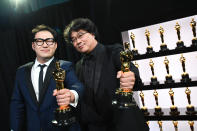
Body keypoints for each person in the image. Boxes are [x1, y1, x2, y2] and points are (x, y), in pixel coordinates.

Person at [63, 18, 149, 131]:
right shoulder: (78, 65)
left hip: (123, 123)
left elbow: (131, 71)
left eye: (80, 35)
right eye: (73, 39)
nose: (77, 41)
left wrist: (131, 77)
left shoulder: (113, 51)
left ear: (92, 34)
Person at [10, 24, 84, 131]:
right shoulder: (21, 71)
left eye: (49, 41)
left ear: (55, 45)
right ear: (33, 46)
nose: (45, 45)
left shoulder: (65, 66)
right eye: (39, 41)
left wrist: (72, 95)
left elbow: (77, 85)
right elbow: (17, 103)